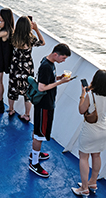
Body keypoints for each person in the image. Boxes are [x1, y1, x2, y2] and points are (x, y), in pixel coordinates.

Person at [28, 43, 73, 178]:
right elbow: (42, 88)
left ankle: (35, 152)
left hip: (46, 104)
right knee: (39, 134)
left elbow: (47, 81)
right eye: (63, 58)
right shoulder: (47, 66)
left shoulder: (48, 62)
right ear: (55, 55)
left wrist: (58, 78)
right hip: (44, 106)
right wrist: (60, 83)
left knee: (39, 131)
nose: (63, 60)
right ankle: (34, 163)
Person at [71, 70, 106, 196]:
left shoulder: (91, 95)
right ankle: (93, 182)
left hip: (90, 130)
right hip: (103, 129)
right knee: (96, 155)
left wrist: (82, 95)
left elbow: (81, 110)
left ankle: (84, 188)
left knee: (84, 157)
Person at [8, 16, 45, 121]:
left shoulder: (13, 36)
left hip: (15, 66)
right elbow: (42, 42)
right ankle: (27, 115)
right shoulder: (31, 38)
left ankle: (11, 110)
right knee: (28, 91)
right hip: (27, 68)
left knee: (12, 88)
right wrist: (36, 29)